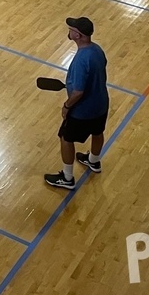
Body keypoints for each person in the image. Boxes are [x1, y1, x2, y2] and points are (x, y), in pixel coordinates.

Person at [45, 16, 108, 189]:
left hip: (83, 111)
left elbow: (79, 91)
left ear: (78, 35)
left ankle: (67, 177)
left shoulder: (81, 60)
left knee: (65, 138)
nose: (69, 30)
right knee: (97, 132)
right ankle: (93, 161)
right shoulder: (97, 50)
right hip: (101, 104)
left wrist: (67, 106)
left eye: (71, 29)